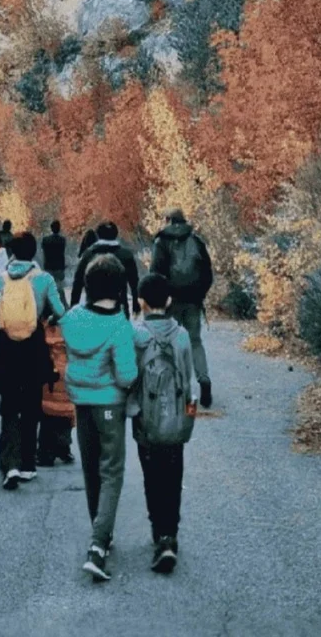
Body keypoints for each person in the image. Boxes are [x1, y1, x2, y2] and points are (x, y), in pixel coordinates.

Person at [59, 255, 138, 583]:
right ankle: (98, 544)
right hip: (110, 407)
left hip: (81, 403)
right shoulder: (119, 325)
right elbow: (126, 375)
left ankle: (99, 528)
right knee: (111, 472)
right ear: (119, 289)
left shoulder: (73, 318)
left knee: (90, 468)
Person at [130, 273, 198, 574]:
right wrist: (189, 417)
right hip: (175, 421)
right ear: (169, 301)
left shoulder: (136, 334)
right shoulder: (181, 336)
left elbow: (131, 379)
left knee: (152, 476)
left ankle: (159, 533)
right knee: (173, 475)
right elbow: (189, 379)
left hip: (146, 420)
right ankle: (171, 534)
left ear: (141, 302)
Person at [0, 231, 66, 488]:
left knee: (9, 405)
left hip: (6, 348)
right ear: (35, 252)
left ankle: (9, 463)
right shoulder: (44, 279)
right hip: (34, 346)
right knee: (32, 403)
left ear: (11, 252)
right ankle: (27, 463)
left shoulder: (1, 280)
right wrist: (49, 320)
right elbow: (60, 311)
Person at [150, 208, 214, 408]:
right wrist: (200, 294)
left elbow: (155, 273)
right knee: (195, 341)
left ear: (168, 220)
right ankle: (203, 378)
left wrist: (160, 298)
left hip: (171, 301)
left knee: (173, 343)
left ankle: (181, 388)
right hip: (193, 301)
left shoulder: (162, 241)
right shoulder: (196, 241)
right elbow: (207, 274)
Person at [71, 221, 140, 316]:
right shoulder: (126, 255)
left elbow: (77, 283)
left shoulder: (88, 255)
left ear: (98, 235)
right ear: (116, 234)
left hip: (93, 308)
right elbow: (134, 282)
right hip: (120, 308)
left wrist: (73, 307)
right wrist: (135, 303)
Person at [36, 319, 75, 467]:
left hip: (48, 372)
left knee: (47, 411)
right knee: (65, 409)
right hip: (66, 371)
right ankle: (64, 447)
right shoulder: (68, 326)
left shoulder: (39, 328)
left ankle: (45, 452)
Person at [40, 219, 68, 301]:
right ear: (59, 228)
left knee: (48, 288)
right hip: (59, 268)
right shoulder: (62, 240)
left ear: (51, 228)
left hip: (48, 267)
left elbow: (44, 251)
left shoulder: (45, 240)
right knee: (59, 288)